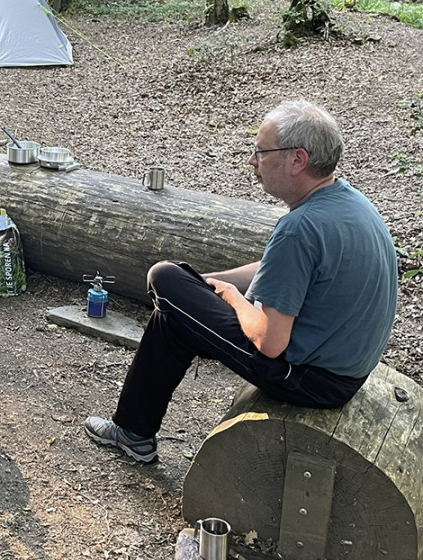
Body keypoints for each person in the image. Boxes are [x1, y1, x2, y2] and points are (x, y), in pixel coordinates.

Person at [84, 100, 398, 463]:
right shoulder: (348, 201)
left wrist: (233, 297)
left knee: (163, 276)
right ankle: (134, 432)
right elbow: (280, 270)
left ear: (297, 160)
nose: (252, 161)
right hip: (342, 370)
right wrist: (210, 283)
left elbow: (269, 343)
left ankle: (133, 431)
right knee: (175, 310)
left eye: (261, 152)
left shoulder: (299, 229)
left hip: (308, 380)